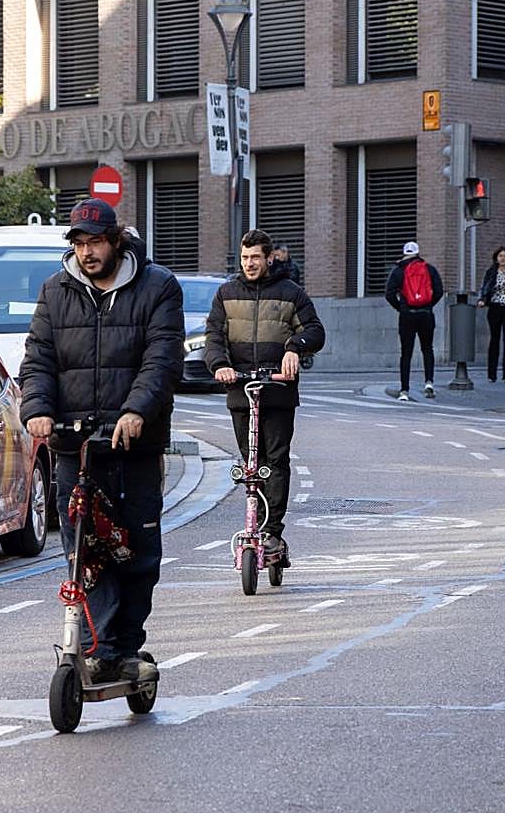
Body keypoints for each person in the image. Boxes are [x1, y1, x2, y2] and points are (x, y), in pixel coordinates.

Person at [20, 197, 184, 685]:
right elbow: (39, 359)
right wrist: (37, 410)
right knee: (82, 551)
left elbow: (162, 359)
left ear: (115, 241)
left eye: (95, 243)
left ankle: (125, 646)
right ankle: (99, 647)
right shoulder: (56, 291)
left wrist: (136, 411)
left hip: (133, 445)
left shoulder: (157, 287)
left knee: (136, 550)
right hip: (75, 445)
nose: (87, 253)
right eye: (79, 244)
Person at [204, 228, 325, 564]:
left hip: (278, 389)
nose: (249, 263)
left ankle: (272, 532)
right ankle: (253, 524)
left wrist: (295, 348)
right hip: (241, 390)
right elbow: (214, 336)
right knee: (250, 464)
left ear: (269, 258)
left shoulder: (291, 293)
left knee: (276, 461)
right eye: (245, 257)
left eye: (255, 257)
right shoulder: (226, 293)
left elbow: (315, 330)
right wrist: (219, 365)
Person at [385, 241, 444, 401]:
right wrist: (428, 305)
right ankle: (429, 383)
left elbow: (389, 294)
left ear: (405, 253)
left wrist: (400, 307)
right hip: (426, 314)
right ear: (418, 253)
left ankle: (404, 390)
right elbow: (439, 291)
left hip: (407, 315)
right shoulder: (429, 269)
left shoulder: (398, 270)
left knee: (406, 353)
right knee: (427, 349)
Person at [476, 245, 505, 383]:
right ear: (496, 258)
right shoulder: (491, 272)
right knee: (494, 339)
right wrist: (482, 299)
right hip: (494, 307)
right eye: (501, 256)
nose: (503, 258)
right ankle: (492, 373)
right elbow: (484, 287)